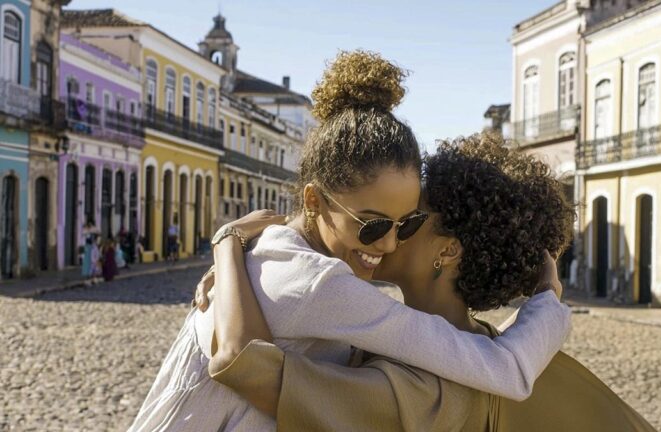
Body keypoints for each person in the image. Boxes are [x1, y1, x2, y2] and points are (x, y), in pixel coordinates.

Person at [129, 51, 570, 432]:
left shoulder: (280, 255)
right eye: (374, 225)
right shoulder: (320, 283)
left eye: (408, 222)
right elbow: (504, 367)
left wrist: (227, 243)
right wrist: (548, 302)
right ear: (315, 201)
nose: (391, 243)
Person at [200, 133, 655, 431]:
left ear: (449, 250)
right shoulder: (484, 344)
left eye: (412, 220)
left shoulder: (423, 390)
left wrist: (232, 245)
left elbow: (247, 367)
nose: (391, 233)